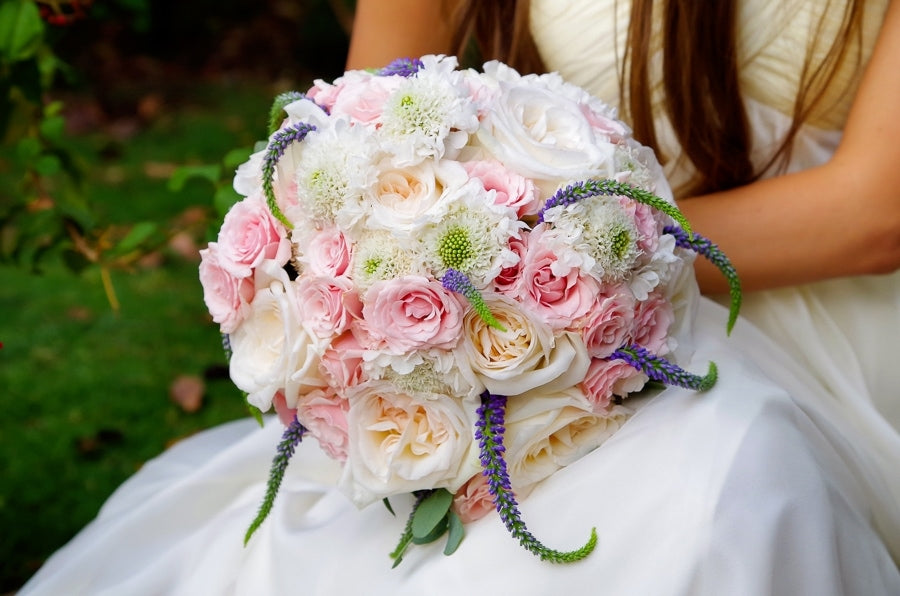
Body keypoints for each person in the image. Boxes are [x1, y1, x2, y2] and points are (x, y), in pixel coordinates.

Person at [19, 0, 900, 594]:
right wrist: (381, 261)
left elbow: (874, 212)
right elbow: (352, 129)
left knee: (728, 484)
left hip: (826, 302)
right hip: (557, 299)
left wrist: (541, 265)